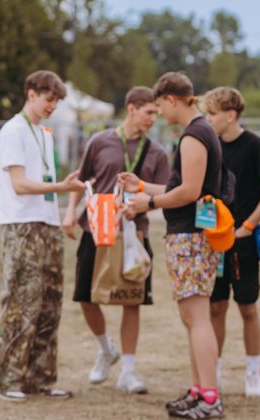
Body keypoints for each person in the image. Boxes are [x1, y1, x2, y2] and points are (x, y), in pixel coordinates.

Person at [120, 72, 226, 420]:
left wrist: (147, 204)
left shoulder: (194, 135)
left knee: (197, 316)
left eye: (160, 106)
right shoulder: (200, 132)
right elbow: (178, 186)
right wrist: (142, 187)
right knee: (191, 316)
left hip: (191, 235)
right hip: (192, 233)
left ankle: (209, 397)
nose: (160, 114)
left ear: (171, 99)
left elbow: (189, 192)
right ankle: (199, 390)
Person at [0, 70, 85, 402]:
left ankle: (39, 377)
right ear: (31, 94)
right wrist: (62, 187)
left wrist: (61, 192)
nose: (52, 106)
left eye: (56, 101)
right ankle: (3, 378)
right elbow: (20, 184)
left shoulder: (44, 133)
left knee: (49, 303)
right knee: (21, 300)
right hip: (21, 224)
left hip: (47, 222)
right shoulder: (13, 130)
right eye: (48, 99)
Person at [63, 86, 170, 394]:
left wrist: (142, 200)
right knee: (86, 296)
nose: (153, 119)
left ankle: (129, 371)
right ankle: (105, 349)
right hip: (95, 229)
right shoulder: (100, 141)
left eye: (156, 113)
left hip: (134, 234)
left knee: (131, 301)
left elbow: (167, 193)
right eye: (149, 112)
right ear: (131, 108)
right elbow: (81, 181)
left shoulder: (157, 152)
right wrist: (70, 213)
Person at [203, 87, 260, 397]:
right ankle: (214, 371)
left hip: (243, 243)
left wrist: (248, 225)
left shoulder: (255, 145)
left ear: (231, 115)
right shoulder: (209, 146)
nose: (208, 119)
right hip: (214, 240)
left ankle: (253, 373)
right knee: (215, 307)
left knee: (247, 308)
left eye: (213, 113)